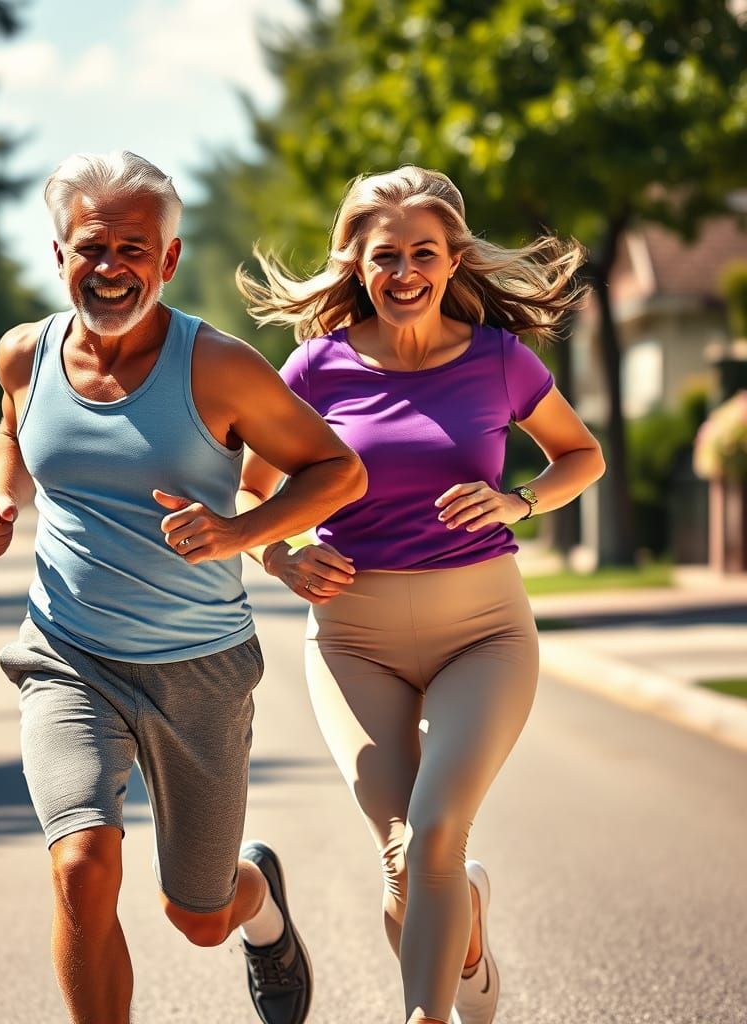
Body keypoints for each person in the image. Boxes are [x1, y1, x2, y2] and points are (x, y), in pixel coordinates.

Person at [0, 150, 367, 1024]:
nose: (111, 268)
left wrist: (240, 533)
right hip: (66, 655)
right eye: (92, 247)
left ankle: (259, 908)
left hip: (201, 668)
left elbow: (337, 470)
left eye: (134, 249)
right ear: (60, 254)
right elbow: (11, 436)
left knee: (199, 916)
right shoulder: (23, 356)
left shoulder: (217, 367)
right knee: (80, 868)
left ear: (169, 261)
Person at [235, 164, 606, 1024]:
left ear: (452, 261)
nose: (405, 273)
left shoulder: (499, 361)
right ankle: (464, 931)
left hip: (483, 630)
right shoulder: (313, 369)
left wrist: (522, 500)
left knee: (438, 831)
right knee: (406, 860)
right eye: (386, 256)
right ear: (355, 265)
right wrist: (285, 558)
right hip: (352, 640)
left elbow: (580, 456)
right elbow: (253, 495)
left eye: (424, 253)